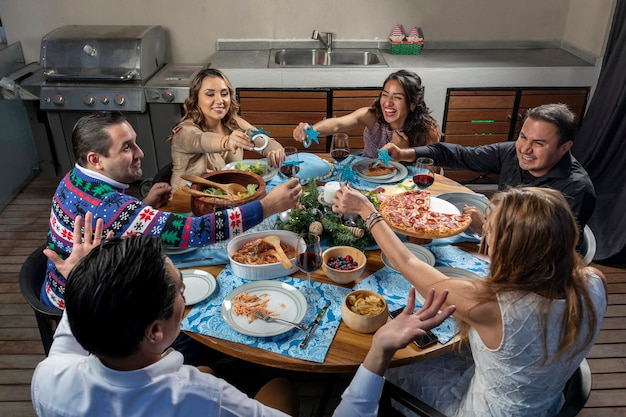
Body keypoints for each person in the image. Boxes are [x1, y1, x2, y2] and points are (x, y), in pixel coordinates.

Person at [32, 213, 456, 417]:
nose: (184, 292)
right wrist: (378, 351)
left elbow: (68, 339)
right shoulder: (203, 400)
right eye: (179, 290)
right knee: (277, 386)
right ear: (156, 331)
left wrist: (84, 281)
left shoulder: (48, 381)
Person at [332, 184, 607, 416]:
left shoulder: (492, 308)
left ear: (513, 249)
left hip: (475, 410)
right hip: (546, 401)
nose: (485, 232)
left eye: (491, 230)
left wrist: (367, 211)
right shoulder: (595, 281)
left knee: (392, 363)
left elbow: (406, 261)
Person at [45, 110, 301, 311]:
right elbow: (193, 231)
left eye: (135, 142)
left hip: (69, 285)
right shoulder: (111, 207)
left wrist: (142, 208)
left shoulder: (74, 178)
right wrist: (267, 206)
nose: (140, 153)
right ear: (95, 160)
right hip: (86, 308)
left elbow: (114, 221)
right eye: (126, 147)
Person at [381, 103, 596, 235]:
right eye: (523, 137)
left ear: (565, 147)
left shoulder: (576, 188)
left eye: (539, 143)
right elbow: (458, 154)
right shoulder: (512, 152)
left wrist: (485, 228)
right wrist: (404, 154)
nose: (526, 149)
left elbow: (543, 252)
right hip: (494, 239)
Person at [168, 68, 286, 191]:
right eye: (210, 94)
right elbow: (202, 140)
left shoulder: (233, 123)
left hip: (226, 199)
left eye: (224, 94)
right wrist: (227, 142)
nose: (219, 101)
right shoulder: (184, 131)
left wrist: (275, 152)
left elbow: (266, 142)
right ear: (196, 99)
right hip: (187, 202)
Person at [292, 70, 441, 158]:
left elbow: (429, 172)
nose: (388, 103)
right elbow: (337, 125)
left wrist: (405, 151)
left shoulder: (428, 131)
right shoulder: (372, 116)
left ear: (412, 104)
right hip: (367, 176)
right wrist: (310, 131)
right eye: (385, 95)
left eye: (397, 98)